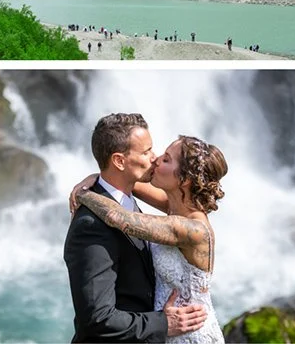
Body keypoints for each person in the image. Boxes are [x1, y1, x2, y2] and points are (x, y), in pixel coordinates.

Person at [69, 132, 228, 343]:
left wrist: (83, 194)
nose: (156, 158)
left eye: (166, 159)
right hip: (167, 326)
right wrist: (93, 179)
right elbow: (123, 181)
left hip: (189, 331)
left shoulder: (193, 229)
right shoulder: (176, 205)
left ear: (185, 179)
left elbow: (118, 217)